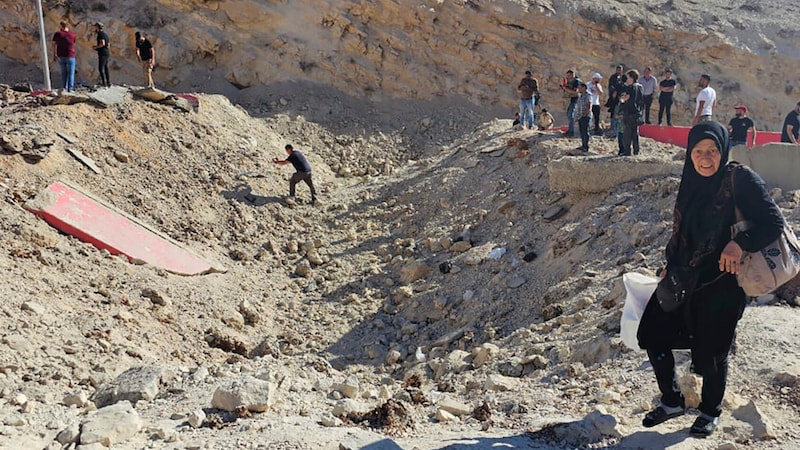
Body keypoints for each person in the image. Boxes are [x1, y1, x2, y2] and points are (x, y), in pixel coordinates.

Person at [637, 121, 783, 437]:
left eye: (713, 150)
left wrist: (740, 243)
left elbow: (774, 223)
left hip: (723, 282)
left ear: (723, 150)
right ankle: (673, 400)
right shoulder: (690, 181)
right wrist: (670, 264)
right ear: (689, 154)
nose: (706, 158)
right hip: (683, 276)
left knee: (713, 351)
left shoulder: (738, 178)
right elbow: (683, 231)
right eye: (699, 151)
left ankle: (709, 411)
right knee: (652, 333)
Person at [620, 70, 644, 156]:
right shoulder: (640, 87)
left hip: (629, 112)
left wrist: (622, 98)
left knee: (627, 133)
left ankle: (627, 151)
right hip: (637, 112)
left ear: (631, 77)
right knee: (635, 132)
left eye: (628, 77)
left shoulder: (631, 87)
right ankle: (636, 150)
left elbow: (626, 98)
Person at [51, 21, 77, 92]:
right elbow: (73, 42)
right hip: (70, 55)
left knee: (63, 73)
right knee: (71, 73)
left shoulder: (57, 34)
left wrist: (54, 54)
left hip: (61, 55)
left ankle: (64, 88)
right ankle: (70, 89)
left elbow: (53, 44)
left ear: (61, 26)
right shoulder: (72, 35)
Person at [561, 69, 581, 137]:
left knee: (570, 114)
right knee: (569, 115)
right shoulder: (569, 81)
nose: (568, 76)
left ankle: (571, 131)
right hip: (569, 99)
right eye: (568, 75)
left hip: (575, 99)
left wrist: (565, 89)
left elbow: (575, 91)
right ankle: (570, 130)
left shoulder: (577, 81)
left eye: (570, 75)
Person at [574, 82, 592, 152]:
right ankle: (583, 145)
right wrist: (578, 117)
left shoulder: (588, 95)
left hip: (586, 115)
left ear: (584, 88)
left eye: (580, 88)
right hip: (581, 115)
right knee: (581, 131)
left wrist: (585, 113)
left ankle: (586, 146)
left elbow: (588, 104)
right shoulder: (580, 96)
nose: (579, 89)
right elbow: (579, 107)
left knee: (585, 131)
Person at [92, 22, 111, 87]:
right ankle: (108, 82)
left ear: (97, 27)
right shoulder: (106, 34)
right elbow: (108, 45)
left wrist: (96, 47)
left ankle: (104, 83)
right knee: (105, 68)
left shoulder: (100, 34)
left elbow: (102, 43)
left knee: (101, 68)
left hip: (102, 53)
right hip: (106, 52)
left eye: (95, 27)